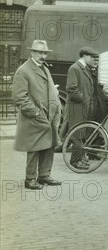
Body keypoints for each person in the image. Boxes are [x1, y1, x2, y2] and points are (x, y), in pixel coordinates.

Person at [12, 40, 62, 190]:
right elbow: (19, 97)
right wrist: (36, 113)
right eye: (39, 52)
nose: (42, 55)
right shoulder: (24, 70)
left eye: (44, 53)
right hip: (34, 117)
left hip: (49, 115)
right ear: (32, 52)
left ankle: (44, 175)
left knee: (49, 145)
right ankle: (30, 179)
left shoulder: (44, 68)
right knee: (34, 147)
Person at [66, 46, 99, 170]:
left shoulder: (84, 68)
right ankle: (75, 161)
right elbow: (71, 89)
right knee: (77, 133)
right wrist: (83, 100)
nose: (94, 60)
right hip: (77, 107)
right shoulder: (75, 68)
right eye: (92, 57)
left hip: (82, 106)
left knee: (81, 133)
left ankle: (78, 159)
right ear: (84, 56)